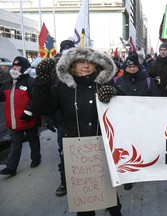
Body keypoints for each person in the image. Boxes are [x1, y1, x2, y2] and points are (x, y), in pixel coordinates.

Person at [33, 47, 122, 216]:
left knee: (110, 197)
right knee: (84, 201)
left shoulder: (104, 84)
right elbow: (43, 107)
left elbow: (126, 107)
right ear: (73, 65)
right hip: (76, 149)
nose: (87, 66)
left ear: (97, 66)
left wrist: (115, 93)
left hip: (102, 146)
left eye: (91, 62)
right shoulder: (62, 87)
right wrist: (42, 82)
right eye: (82, 62)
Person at [111, 52, 159, 190]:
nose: (132, 69)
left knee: (142, 148)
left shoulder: (147, 81)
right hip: (124, 124)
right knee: (127, 150)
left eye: (134, 66)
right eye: (129, 66)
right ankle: (128, 177)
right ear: (125, 68)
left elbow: (156, 100)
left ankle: (142, 171)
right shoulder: (117, 81)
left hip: (143, 123)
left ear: (139, 67)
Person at [0, 56, 41, 176]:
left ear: (24, 67)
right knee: (15, 143)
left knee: (33, 140)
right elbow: (2, 97)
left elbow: (36, 99)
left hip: (27, 119)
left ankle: (36, 158)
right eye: (13, 66)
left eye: (17, 66)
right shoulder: (8, 83)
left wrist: (29, 111)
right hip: (12, 121)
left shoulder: (30, 82)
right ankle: (11, 168)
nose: (14, 68)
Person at [44, 39, 75, 196]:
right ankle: (65, 182)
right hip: (62, 120)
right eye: (65, 49)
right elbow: (49, 95)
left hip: (84, 118)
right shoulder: (55, 70)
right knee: (64, 152)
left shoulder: (82, 66)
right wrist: (49, 115)